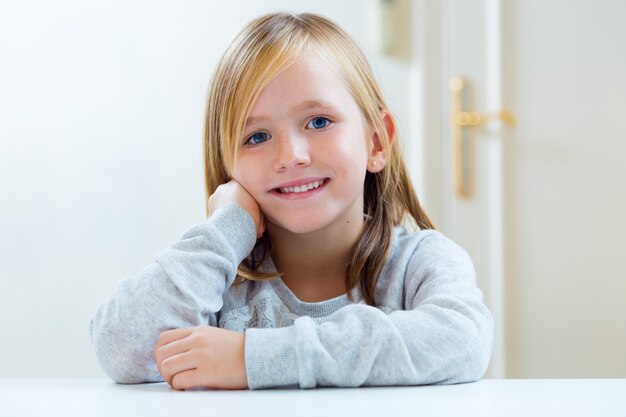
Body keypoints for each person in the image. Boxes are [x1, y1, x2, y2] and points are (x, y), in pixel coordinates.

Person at [89, 12, 493, 390]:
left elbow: (463, 340)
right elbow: (120, 349)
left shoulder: (419, 263)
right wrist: (226, 231)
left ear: (376, 141)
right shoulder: (217, 278)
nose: (291, 156)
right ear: (227, 164)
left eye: (318, 122)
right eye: (257, 137)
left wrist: (253, 360)